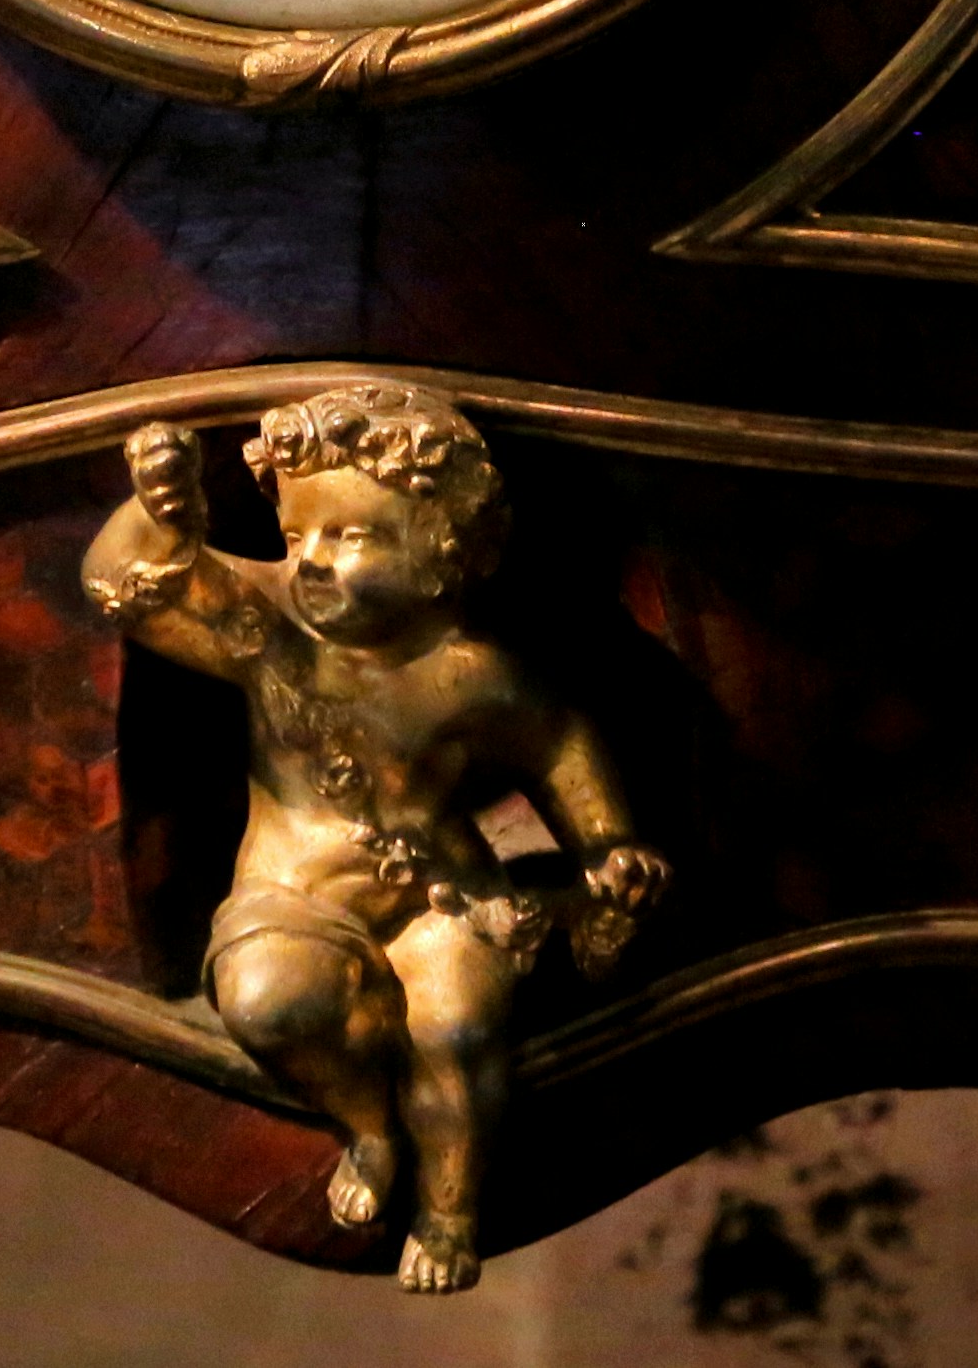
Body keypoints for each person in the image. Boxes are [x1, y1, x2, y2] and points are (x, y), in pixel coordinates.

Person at [83, 381, 668, 1292]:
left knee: (457, 1029)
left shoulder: (474, 675)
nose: (310, 562)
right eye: (294, 537)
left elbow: (558, 747)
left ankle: (450, 1208)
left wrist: (607, 845)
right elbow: (123, 591)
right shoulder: (269, 627)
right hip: (295, 894)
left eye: (350, 536)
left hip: (443, 895)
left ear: (443, 553)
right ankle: (368, 1125)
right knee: (268, 1001)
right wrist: (159, 520)